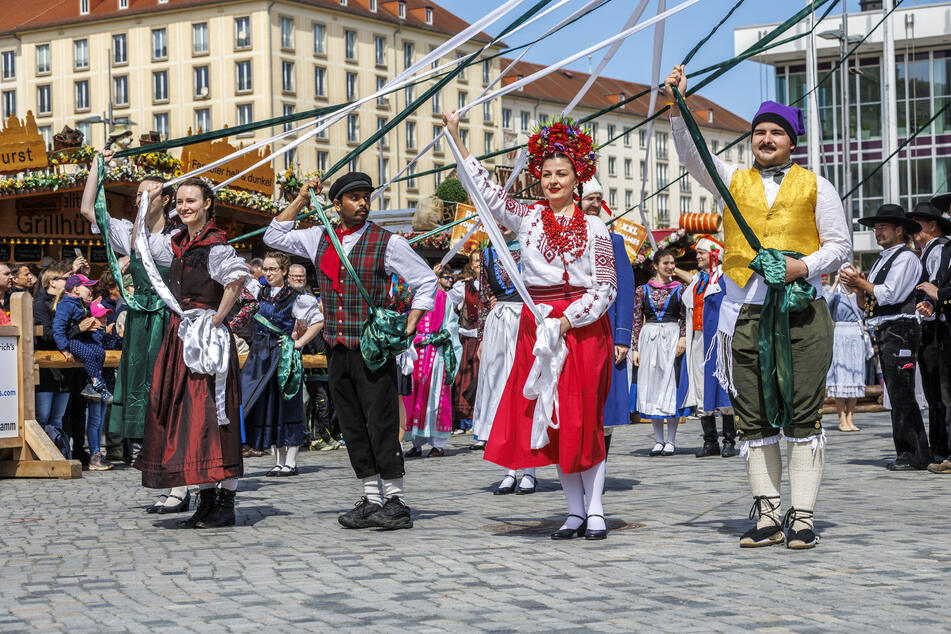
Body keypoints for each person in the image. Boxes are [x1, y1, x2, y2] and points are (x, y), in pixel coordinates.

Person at [667, 65, 851, 549]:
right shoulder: (732, 179)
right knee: (753, 414)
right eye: (759, 133)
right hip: (742, 314)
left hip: (799, 314)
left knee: (802, 412)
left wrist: (801, 268)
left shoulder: (817, 185)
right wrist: (678, 106)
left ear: (792, 142)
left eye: (775, 133)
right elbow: (693, 157)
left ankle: (804, 517)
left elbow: (839, 246)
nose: (766, 139)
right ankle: (768, 515)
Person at [446, 111, 617, 540]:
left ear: (578, 178)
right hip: (537, 326)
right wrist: (457, 138)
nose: (553, 181)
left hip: (582, 331)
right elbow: (485, 193)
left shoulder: (595, 226)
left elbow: (606, 288)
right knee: (552, 420)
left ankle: (595, 509)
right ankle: (574, 511)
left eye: (562, 173)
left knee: (584, 421)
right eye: (546, 174)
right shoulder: (528, 217)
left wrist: (567, 321)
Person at [264, 173, 437, 531]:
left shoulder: (386, 242)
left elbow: (426, 281)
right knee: (353, 424)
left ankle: (395, 500)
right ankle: (371, 497)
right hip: (337, 346)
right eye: (354, 197)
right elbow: (274, 235)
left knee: (382, 422)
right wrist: (301, 197)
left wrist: (410, 324)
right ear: (337, 203)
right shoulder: (319, 237)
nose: (362, 203)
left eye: (366, 197)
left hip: (371, 347)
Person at [134, 178, 249, 529]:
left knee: (213, 415)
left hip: (207, 340)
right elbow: (141, 241)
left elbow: (237, 279)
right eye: (180, 202)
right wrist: (148, 202)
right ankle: (206, 500)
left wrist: (217, 317)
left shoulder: (216, 245)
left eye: (192, 201)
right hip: (183, 338)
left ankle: (224, 502)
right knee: (189, 419)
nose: (185, 207)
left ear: (208, 204)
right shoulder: (176, 242)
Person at [80, 150, 189, 511]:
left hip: (168, 320)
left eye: (149, 193)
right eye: (138, 194)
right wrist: (98, 164)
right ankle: (163, 472)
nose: (141, 199)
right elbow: (88, 210)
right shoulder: (129, 233)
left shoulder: (178, 237)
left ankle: (181, 479)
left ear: (166, 199)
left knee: (169, 395)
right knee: (145, 394)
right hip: (141, 322)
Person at [841, 205, 928, 471]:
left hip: (900, 329)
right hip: (887, 329)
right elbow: (871, 300)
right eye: (876, 228)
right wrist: (858, 288)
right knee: (895, 393)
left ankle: (915, 453)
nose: (877, 232)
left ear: (899, 230)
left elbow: (890, 295)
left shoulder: (906, 258)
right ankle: (907, 451)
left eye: (882, 227)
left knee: (902, 393)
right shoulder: (882, 260)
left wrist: (861, 282)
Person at [241, 252, 324, 477]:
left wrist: (298, 342)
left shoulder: (295, 297)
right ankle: (278, 460)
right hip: (260, 356)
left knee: (287, 402)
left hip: (283, 356)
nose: (268, 273)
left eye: (273, 269)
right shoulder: (258, 292)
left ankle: (291, 461)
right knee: (268, 405)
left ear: (284, 271)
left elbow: (316, 322)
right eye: (266, 269)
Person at [581, 178, 634, 455]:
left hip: (607, 330)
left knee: (604, 409)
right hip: (574, 330)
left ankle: (598, 467)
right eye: (590, 198)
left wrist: (622, 337)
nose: (595, 204)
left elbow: (625, 290)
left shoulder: (614, 241)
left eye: (599, 199)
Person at [681, 236, 737, 457]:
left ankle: (730, 441)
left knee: (723, 385)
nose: (697, 256)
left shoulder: (726, 278)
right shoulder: (698, 281)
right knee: (702, 387)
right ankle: (710, 441)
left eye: (701, 253)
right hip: (699, 339)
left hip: (719, 340)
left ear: (713, 255)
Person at [907, 201, 951, 464]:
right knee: (936, 391)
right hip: (935, 322)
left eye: (917, 225)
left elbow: (935, 282)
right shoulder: (929, 250)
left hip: (938, 325)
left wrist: (931, 301)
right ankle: (939, 448)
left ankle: (942, 449)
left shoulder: (940, 248)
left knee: (941, 391)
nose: (912, 232)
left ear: (932, 225)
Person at [631, 249, 686, 456]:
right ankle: (658, 440)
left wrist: (683, 338)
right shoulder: (642, 290)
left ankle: (671, 439)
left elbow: (686, 316)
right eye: (666, 263)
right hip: (649, 338)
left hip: (671, 336)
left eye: (672, 263)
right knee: (652, 386)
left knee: (670, 386)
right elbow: (636, 319)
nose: (670, 267)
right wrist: (635, 348)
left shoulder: (680, 289)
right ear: (655, 265)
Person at [403, 276, 462, 457]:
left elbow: (451, 324)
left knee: (436, 397)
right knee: (414, 399)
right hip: (416, 352)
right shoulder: (410, 297)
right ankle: (417, 442)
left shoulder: (443, 298)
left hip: (436, 353)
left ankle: (438, 444)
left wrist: (442, 335)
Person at [52, 274, 114, 405]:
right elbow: (58, 329)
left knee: (99, 352)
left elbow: (91, 330)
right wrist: (64, 348)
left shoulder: (84, 305)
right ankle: (98, 385)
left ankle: (90, 385)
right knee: (89, 354)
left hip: (81, 340)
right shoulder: (66, 305)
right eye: (88, 287)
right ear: (76, 289)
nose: (91, 290)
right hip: (70, 341)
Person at [33, 262, 74, 451]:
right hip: (46, 370)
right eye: (65, 278)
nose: (69, 281)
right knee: (42, 417)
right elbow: (48, 335)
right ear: (52, 282)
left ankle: (58, 453)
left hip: (64, 371)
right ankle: (41, 454)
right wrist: (76, 329)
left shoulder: (68, 302)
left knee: (57, 418)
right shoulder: (40, 304)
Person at [824, 272, 871, 433]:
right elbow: (825, 303)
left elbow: (865, 308)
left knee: (855, 376)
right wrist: (835, 283)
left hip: (855, 335)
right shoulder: (836, 295)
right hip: (840, 334)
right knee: (841, 377)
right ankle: (841, 418)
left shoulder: (858, 294)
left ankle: (850, 417)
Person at [448, 252, 482, 436]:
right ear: (470, 264)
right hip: (467, 337)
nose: (478, 264)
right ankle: (463, 421)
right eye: (475, 261)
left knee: (481, 380)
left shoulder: (493, 284)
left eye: (480, 261)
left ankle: (479, 420)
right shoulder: (463, 286)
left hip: (486, 337)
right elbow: (446, 301)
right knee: (464, 379)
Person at [84, 300, 120, 471]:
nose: (104, 318)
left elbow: (112, 349)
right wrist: (106, 335)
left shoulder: (104, 331)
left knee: (100, 420)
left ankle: (98, 452)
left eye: (105, 315)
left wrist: (115, 336)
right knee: (95, 419)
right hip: (94, 382)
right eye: (100, 316)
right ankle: (94, 453)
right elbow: (99, 347)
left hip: (105, 381)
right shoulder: (91, 333)